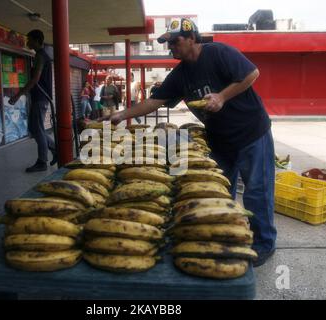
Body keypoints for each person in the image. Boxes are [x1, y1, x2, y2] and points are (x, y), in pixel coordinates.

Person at [103, 18, 277, 267]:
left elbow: (251, 73)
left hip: (251, 133)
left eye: (174, 41)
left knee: (257, 192)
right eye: (167, 43)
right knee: (218, 191)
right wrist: (121, 115)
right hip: (220, 139)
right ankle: (224, 233)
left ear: (192, 39)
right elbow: (155, 101)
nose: (170, 47)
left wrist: (222, 96)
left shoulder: (218, 53)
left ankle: (264, 244)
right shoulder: (180, 74)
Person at [9, 29, 56, 172]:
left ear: (36, 40)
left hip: (40, 98)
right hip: (40, 98)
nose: (27, 42)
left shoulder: (41, 56)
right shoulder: (41, 56)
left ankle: (42, 161)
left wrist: (18, 95)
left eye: (29, 39)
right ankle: (55, 149)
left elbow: (35, 79)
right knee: (35, 129)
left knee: (37, 129)